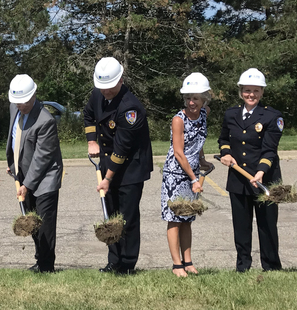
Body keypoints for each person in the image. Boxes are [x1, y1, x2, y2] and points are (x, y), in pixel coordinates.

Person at [84, 57, 153, 274]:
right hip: (107, 162)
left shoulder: (130, 108)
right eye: (102, 87)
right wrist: (92, 140)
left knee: (127, 217)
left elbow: (122, 149)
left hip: (131, 168)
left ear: (121, 80)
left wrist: (106, 179)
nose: (105, 91)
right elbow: (88, 115)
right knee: (110, 214)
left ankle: (127, 263)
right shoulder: (98, 94)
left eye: (109, 87)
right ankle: (113, 260)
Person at [218, 68, 284, 272]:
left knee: (267, 225)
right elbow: (223, 140)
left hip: (264, 179)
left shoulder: (273, 117)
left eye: (256, 91)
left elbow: (270, 150)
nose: (251, 95)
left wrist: (261, 172)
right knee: (241, 226)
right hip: (238, 180)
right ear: (241, 91)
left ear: (262, 92)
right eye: (247, 90)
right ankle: (243, 266)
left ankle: (271, 266)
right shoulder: (231, 114)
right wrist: (226, 153)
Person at [6, 74, 63, 273]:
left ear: (34, 96)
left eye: (24, 102)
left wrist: (27, 184)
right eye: (17, 102)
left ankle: (47, 267)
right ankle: (39, 260)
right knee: (31, 220)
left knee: (44, 224)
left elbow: (42, 158)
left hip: (45, 177)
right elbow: (16, 139)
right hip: (24, 175)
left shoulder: (45, 120)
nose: (20, 106)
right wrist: (14, 165)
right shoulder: (15, 107)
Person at [161, 73, 213, 277]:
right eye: (188, 98)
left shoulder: (204, 114)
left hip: (192, 169)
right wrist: (193, 178)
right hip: (176, 173)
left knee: (187, 218)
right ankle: (176, 264)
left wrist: (202, 159)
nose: (192, 102)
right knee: (175, 218)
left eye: (196, 98)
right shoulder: (178, 120)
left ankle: (188, 261)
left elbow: (198, 141)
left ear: (204, 99)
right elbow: (179, 152)